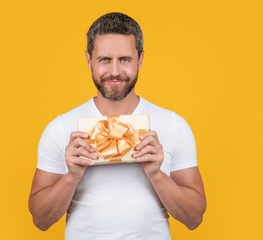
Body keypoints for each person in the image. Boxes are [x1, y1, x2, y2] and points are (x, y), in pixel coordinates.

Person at [28, 12, 206, 239]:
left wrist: (156, 174)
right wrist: (71, 176)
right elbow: (40, 220)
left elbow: (194, 218)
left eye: (125, 59)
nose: (114, 71)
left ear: (140, 60)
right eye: (104, 59)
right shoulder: (60, 128)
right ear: (88, 59)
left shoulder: (173, 125)